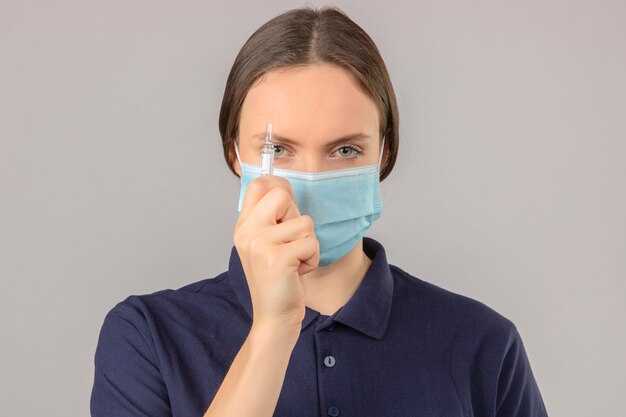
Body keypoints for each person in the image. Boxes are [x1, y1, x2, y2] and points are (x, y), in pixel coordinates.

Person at [90, 6, 548, 417]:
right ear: (234, 153)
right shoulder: (147, 337)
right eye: (279, 149)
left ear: (384, 153)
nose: (309, 181)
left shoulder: (482, 343)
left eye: (345, 149)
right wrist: (272, 329)